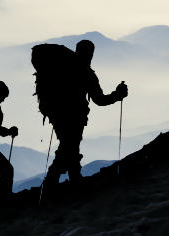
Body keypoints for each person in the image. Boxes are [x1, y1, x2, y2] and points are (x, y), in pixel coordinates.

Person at [42, 40, 128, 191]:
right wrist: (117, 95)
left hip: (58, 116)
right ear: (91, 53)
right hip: (75, 118)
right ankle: (54, 183)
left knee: (68, 148)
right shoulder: (87, 74)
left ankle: (66, 180)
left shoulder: (63, 68)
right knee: (69, 148)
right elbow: (100, 100)